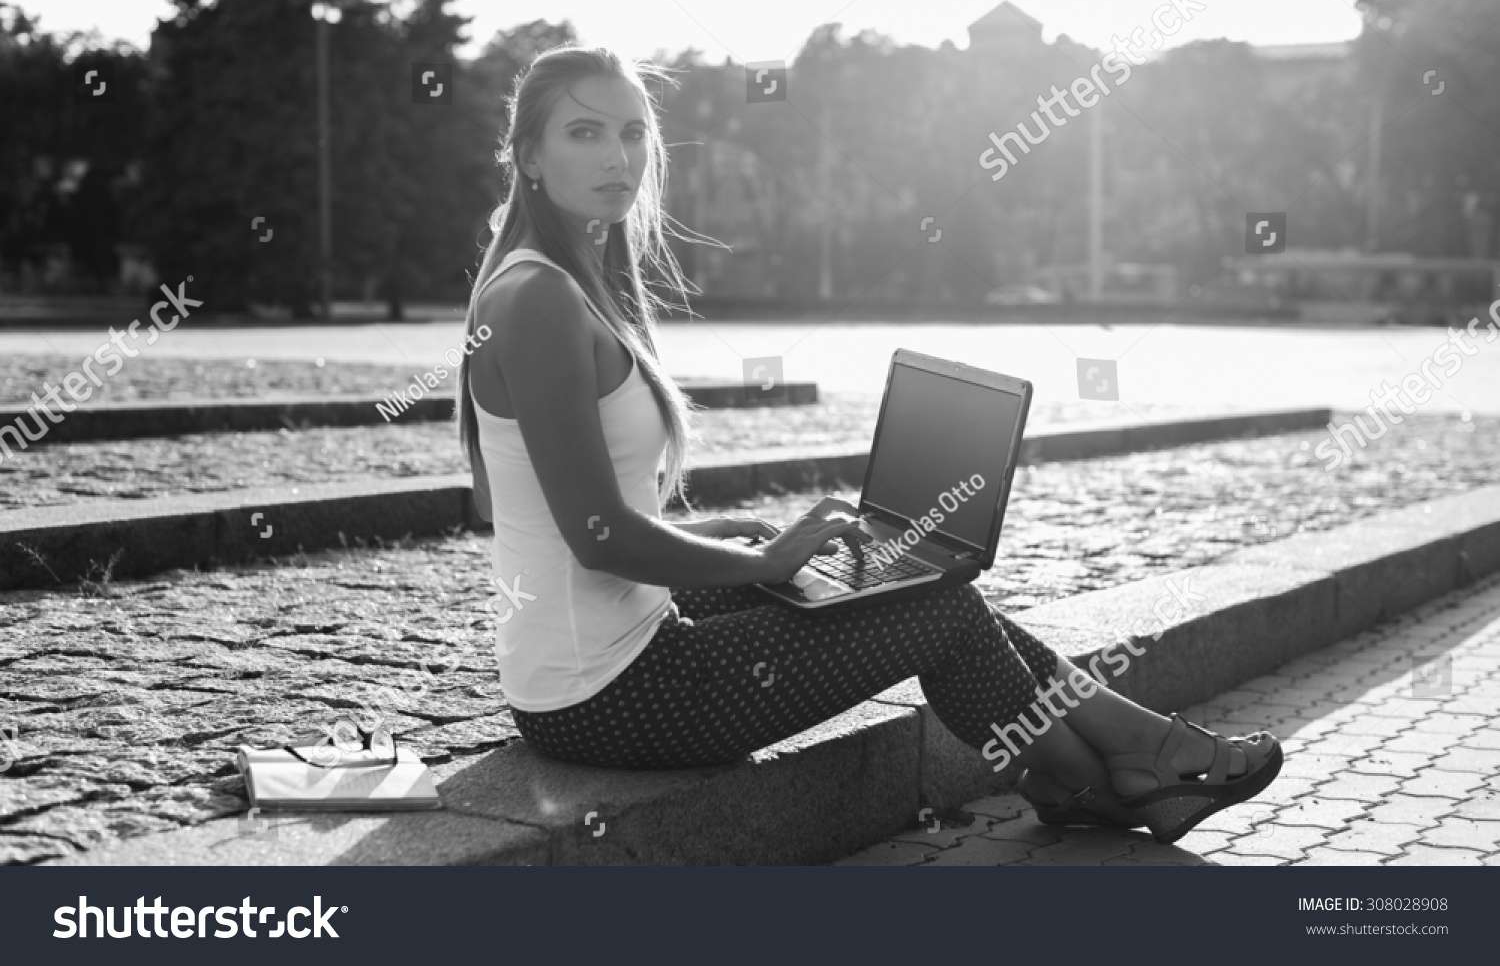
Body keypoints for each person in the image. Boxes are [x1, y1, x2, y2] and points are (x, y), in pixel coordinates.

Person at [455, 44, 1283, 847]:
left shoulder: (570, 285)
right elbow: (595, 535)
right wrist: (762, 566)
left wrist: (737, 538)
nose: (618, 156)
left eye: (634, 132)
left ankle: (1112, 764)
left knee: (909, 575)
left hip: (610, 648)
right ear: (528, 155)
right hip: (606, 694)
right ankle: (1109, 773)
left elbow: (560, 509)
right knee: (938, 605)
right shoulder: (539, 299)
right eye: (585, 132)